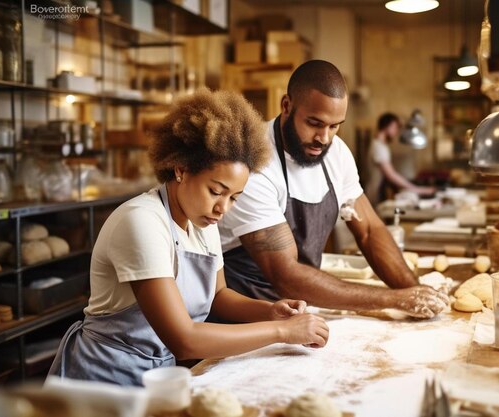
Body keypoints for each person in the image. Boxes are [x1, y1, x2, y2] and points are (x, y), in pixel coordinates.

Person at [48, 89, 329, 386]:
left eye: (234, 197)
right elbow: (183, 338)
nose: (223, 208)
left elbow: (219, 297)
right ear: (181, 169)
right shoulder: (141, 221)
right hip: (100, 383)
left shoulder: (203, 224)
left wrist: (271, 311)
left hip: (156, 379)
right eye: (216, 191)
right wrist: (284, 332)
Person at [218, 60, 449, 319]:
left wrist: (415, 291)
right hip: (243, 320)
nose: (324, 138)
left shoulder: (336, 154)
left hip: (299, 314)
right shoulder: (253, 162)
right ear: (287, 106)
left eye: (335, 125)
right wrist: (393, 299)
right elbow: (285, 274)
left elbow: (370, 231)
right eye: (315, 123)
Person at [365, 112, 435, 206]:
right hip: (375, 195)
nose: (397, 131)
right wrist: (417, 189)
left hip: (378, 194)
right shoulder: (378, 147)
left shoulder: (381, 145)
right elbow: (391, 174)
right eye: (395, 127)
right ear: (387, 126)